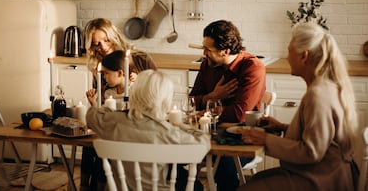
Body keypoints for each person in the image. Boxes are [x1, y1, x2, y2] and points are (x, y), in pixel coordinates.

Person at [239, 22, 359, 191]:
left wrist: (265, 139)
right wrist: (282, 127)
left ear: (304, 56)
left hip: (323, 179)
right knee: (254, 180)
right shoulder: (324, 86)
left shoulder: (318, 94)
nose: (287, 57)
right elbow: (321, 136)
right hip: (323, 172)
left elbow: (312, 152)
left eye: (289, 51)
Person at [86, 69, 211, 190]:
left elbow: (92, 114)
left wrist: (117, 112)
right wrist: (179, 125)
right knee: (195, 185)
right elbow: (203, 142)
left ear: (134, 93)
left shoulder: (114, 122)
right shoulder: (169, 132)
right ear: (165, 100)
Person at [189, 20, 266, 191]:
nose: (204, 53)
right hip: (207, 135)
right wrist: (213, 96)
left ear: (225, 51)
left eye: (208, 50)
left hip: (242, 137)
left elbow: (239, 114)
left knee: (224, 164)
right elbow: (191, 101)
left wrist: (206, 109)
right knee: (173, 153)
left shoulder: (252, 68)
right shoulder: (208, 64)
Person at [81, 18, 157, 191]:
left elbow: (158, 91)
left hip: (138, 125)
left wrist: (142, 82)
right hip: (112, 124)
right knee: (91, 143)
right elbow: (101, 105)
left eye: (106, 40)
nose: (103, 47)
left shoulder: (140, 59)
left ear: (114, 36)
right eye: (96, 44)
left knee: (104, 147)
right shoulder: (99, 68)